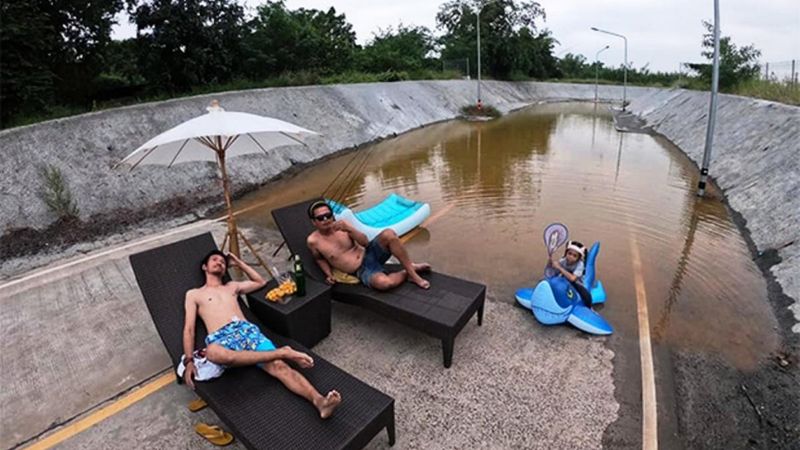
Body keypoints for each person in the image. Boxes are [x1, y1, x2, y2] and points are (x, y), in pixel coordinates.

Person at [183, 249, 341, 419]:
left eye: (222, 261)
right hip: (221, 338)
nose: (219, 262)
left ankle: (319, 402)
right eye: (214, 259)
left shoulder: (232, 286)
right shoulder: (194, 294)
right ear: (204, 266)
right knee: (213, 353)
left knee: (280, 367)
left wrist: (239, 263)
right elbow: (189, 329)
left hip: (247, 331)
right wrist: (189, 360)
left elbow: (261, 282)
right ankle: (282, 351)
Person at [306, 200, 431, 290]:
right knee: (384, 283)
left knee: (389, 234)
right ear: (313, 222)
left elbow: (365, 242)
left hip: (369, 253)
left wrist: (350, 229)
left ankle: (413, 275)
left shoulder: (342, 226)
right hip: (362, 270)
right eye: (320, 218)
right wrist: (329, 274)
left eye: (328, 215)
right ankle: (407, 272)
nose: (326, 220)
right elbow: (319, 259)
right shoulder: (313, 241)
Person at [550, 240, 593, 309]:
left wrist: (560, 268)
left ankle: (590, 307)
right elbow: (556, 270)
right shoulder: (563, 260)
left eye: (574, 256)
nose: (571, 256)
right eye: (569, 253)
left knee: (585, 294)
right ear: (566, 253)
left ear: (578, 258)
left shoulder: (580, 264)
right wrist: (552, 264)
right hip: (565, 280)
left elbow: (573, 278)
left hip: (577, 283)